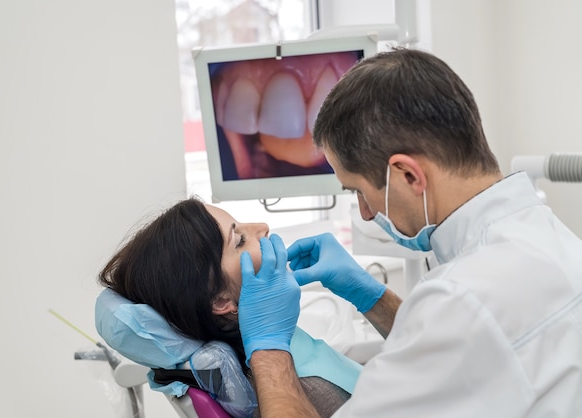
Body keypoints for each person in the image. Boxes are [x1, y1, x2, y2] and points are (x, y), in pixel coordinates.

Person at [237, 47, 582, 417]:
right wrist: (372, 297)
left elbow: (459, 325)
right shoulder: (545, 233)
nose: (366, 214)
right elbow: (456, 350)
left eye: (359, 192)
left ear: (408, 175)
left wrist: (268, 349)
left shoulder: (459, 301)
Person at [97, 197, 361, 417]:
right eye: (239, 240)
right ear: (221, 301)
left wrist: (369, 297)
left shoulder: (272, 351)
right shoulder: (305, 390)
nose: (263, 226)